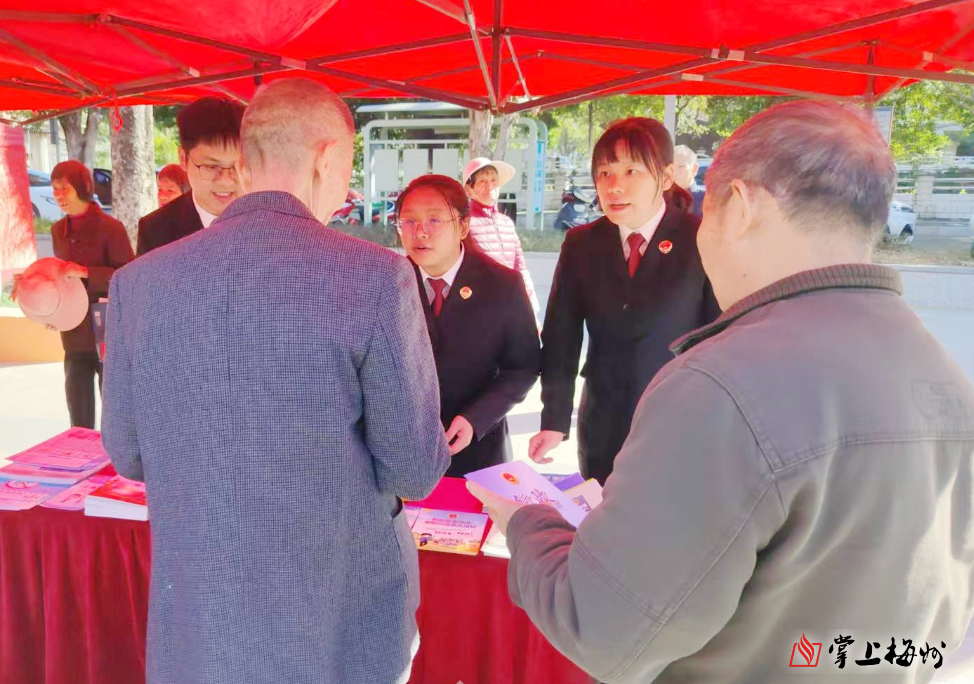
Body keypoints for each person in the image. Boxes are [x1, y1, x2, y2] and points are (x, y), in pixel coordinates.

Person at [469, 100, 974, 684]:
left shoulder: (721, 388)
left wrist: (528, 521)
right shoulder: (942, 374)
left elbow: (602, 628)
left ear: (738, 205)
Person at [102, 78, 451, 684]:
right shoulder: (377, 278)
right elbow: (413, 470)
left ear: (245, 159)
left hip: (202, 612)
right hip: (338, 613)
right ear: (326, 159)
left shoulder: (139, 283)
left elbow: (129, 454)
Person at [529, 118, 721, 485]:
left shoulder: (701, 239)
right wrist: (554, 420)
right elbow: (560, 339)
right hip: (603, 425)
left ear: (666, 177)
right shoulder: (582, 245)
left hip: (681, 423)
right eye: (604, 173)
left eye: (631, 171)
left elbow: (721, 339)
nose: (614, 186)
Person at [396, 174, 540, 476]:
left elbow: (523, 367)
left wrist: (476, 418)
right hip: (403, 451)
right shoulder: (388, 283)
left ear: (463, 226)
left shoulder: (503, 285)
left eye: (435, 220)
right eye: (408, 221)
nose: (420, 232)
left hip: (479, 451)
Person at [48, 160, 133, 428]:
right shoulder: (57, 231)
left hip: (107, 329)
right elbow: (60, 280)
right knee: (78, 413)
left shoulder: (111, 227)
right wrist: (49, 309)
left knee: (115, 414)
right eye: (54, 189)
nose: (58, 195)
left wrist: (87, 272)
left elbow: (127, 276)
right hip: (73, 331)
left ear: (82, 188)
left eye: (64, 188)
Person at [137, 97, 244, 255]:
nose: (226, 181)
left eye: (238, 166)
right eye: (211, 166)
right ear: (183, 158)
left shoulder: (271, 221)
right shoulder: (156, 231)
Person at [462, 157, 540, 316]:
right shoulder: (463, 223)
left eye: (493, 180)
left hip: (511, 304)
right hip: (479, 309)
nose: (489, 185)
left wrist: (531, 304)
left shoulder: (506, 223)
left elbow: (520, 267)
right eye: (482, 181)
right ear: (469, 189)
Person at [673, 144, 705, 216]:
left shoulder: (707, 199)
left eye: (681, 166)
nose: (674, 172)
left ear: (694, 169)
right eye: (671, 167)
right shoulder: (660, 200)